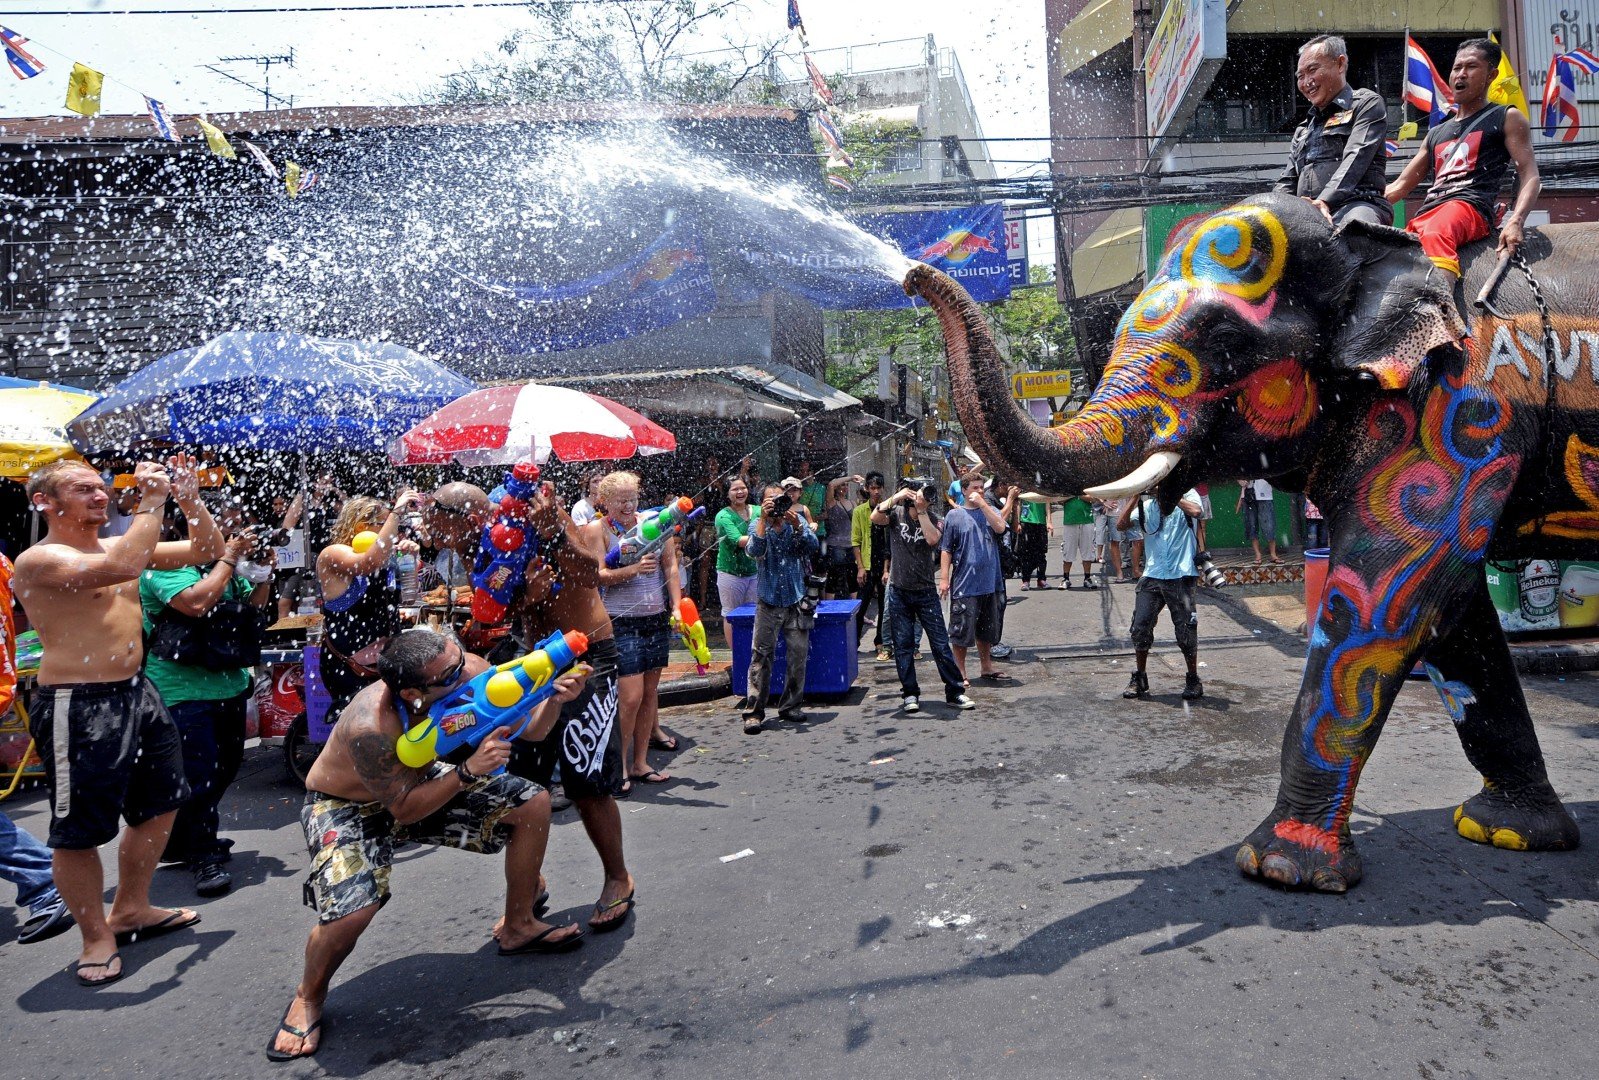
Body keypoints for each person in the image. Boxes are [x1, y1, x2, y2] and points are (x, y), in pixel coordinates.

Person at [267, 629, 588, 1061]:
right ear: (413, 692)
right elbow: (402, 809)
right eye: (450, 674)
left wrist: (554, 698)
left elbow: (530, 731)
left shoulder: (468, 669)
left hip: (422, 782)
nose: (465, 673)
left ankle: (518, 925)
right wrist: (468, 772)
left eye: (459, 660)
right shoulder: (371, 725)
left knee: (532, 804)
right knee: (352, 910)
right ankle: (308, 996)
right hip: (346, 804)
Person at [15, 455, 223, 987]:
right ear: (46, 503)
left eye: (100, 486)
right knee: (78, 831)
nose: (100, 494)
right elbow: (128, 567)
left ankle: (131, 907)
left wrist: (188, 498)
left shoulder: (117, 544)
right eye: (82, 489)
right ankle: (95, 936)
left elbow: (207, 552)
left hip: (137, 691)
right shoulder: (38, 560)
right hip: (77, 703)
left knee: (162, 803)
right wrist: (151, 504)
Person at [423, 479, 637, 938]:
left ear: (468, 516)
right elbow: (492, 617)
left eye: (440, 526)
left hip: (587, 654)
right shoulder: (478, 547)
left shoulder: (536, 515)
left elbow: (590, 575)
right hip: (532, 661)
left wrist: (556, 534)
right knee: (523, 784)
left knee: (586, 777)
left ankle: (618, 875)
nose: (435, 539)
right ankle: (528, 890)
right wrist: (526, 598)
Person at [140, 509, 274, 897]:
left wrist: (263, 572)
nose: (230, 537)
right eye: (223, 531)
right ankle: (202, 855)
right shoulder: (166, 564)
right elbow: (196, 603)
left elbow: (254, 608)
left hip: (228, 684)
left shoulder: (221, 566)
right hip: (179, 690)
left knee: (225, 768)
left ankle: (183, 839)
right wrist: (229, 558)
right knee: (198, 774)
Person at [1385, 37, 1541, 279]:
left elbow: (1530, 175)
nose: (1461, 74)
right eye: (1457, 68)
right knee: (1395, 251)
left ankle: (1441, 315)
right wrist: (1354, 205)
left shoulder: (1507, 117)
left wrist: (1517, 221)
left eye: (1471, 67)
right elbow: (1398, 187)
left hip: (1470, 207)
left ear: (1491, 75)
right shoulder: (1436, 133)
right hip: (1430, 211)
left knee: (1437, 232)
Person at [591, 472, 680, 789]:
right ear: (605, 502)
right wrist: (631, 570)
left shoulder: (654, 522)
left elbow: (670, 565)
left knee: (649, 695)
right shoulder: (598, 529)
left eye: (633, 499)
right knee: (629, 698)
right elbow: (598, 576)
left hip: (655, 617)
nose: (629, 505)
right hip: (619, 621)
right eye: (621, 500)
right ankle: (619, 766)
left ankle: (641, 763)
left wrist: (678, 606)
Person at [315, 491, 421, 716]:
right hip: (350, 664)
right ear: (362, 526)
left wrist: (407, 559)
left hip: (383, 660)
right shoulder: (332, 553)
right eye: (383, 524)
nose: (392, 530)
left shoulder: (384, 555)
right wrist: (396, 512)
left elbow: (406, 594)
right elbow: (367, 563)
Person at [871, 481, 972, 713]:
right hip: (899, 591)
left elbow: (932, 540)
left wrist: (923, 510)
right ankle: (910, 693)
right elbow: (874, 518)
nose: (923, 497)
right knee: (903, 645)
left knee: (939, 644)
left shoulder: (935, 517)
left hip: (926, 591)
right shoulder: (896, 514)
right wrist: (896, 497)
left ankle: (954, 691)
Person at [1274, 34, 1393, 226]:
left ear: (1340, 64)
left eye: (1312, 70)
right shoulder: (1303, 130)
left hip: (1359, 203)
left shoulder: (1366, 104)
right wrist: (1272, 210)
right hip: (1307, 214)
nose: (1306, 82)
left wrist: (1325, 200)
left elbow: (1356, 158)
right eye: (1300, 76)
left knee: (1355, 231)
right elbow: (1287, 182)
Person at [742, 483, 820, 733]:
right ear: (762, 503)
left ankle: (790, 706)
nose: (776, 503)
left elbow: (812, 547)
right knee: (761, 658)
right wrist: (764, 520)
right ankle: (754, 712)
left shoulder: (795, 520)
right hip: (768, 601)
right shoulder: (757, 524)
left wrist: (798, 526)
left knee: (797, 656)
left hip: (796, 599)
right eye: (770, 500)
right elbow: (755, 550)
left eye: (780, 499)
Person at [1118, 487, 1205, 701]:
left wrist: (1170, 495)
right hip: (1153, 575)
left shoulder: (1188, 494)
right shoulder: (1147, 507)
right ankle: (1140, 677)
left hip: (1181, 574)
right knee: (1140, 627)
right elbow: (1121, 525)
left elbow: (1196, 511)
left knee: (1185, 630)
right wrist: (1135, 497)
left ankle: (1193, 679)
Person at [938, 476, 1015, 684]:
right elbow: (946, 550)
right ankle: (960, 671)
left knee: (987, 630)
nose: (979, 492)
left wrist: (983, 505)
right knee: (961, 631)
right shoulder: (954, 516)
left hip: (990, 582)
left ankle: (986, 666)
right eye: (975, 488)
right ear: (964, 491)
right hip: (966, 584)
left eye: (982, 488)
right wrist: (944, 578)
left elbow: (1000, 527)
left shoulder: (990, 511)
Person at [714, 475, 760, 645]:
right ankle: (736, 656)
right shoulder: (723, 516)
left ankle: (752, 654)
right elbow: (738, 540)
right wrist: (764, 538)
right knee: (731, 614)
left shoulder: (758, 511)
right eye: (735, 489)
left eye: (743, 488)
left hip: (754, 572)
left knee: (755, 613)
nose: (740, 492)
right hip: (730, 573)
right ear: (727, 494)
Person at [852, 472, 890, 661]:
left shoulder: (888, 509)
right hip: (866, 564)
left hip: (883, 563)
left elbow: (889, 543)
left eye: (878, 488)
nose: (875, 491)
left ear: (883, 488)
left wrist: (886, 569)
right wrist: (860, 567)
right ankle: (854, 642)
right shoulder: (860, 511)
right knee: (862, 604)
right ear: (866, 489)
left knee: (884, 606)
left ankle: (880, 642)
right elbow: (856, 541)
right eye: (872, 488)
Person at [821, 474, 859, 600]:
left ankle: (857, 612)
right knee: (834, 577)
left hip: (851, 546)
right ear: (837, 487)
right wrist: (850, 478)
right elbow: (831, 484)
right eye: (842, 485)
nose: (845, 487)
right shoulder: (832, 503)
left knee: (853, 577)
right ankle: (828, 610)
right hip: (836, 546)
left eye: (847, 486)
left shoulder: (853, 503)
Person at [1237, 479, 1282, 565]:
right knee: (1252, 525)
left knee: (1269, 525)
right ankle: (1258, 554)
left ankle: (1273, 554)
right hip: (1248, 495)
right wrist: (1241, 481)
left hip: (1265, 495)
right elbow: (1238, 474)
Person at [1059, 495, 1098, 589]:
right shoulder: (1066, 485)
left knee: (1088, 550)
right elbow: (1059, 500)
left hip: (1087, 521)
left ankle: (1087, 578)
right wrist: (1073, 494)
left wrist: (1079, 494)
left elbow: (1093, 498)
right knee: (1068, 550)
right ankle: (1066, 578)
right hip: (1070, 521)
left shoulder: (1086, 484)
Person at [1017, 495, 1052, 591]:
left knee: (1041, 553)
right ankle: (1026, 580)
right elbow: (1019, 503)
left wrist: (1049, 521)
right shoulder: (1024, 485)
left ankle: (1041, 579)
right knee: (1026, 553)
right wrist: (1018, 522)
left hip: (1041, 522)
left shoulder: (1041, 485)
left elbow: (1047, 502)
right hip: (1026, 521)